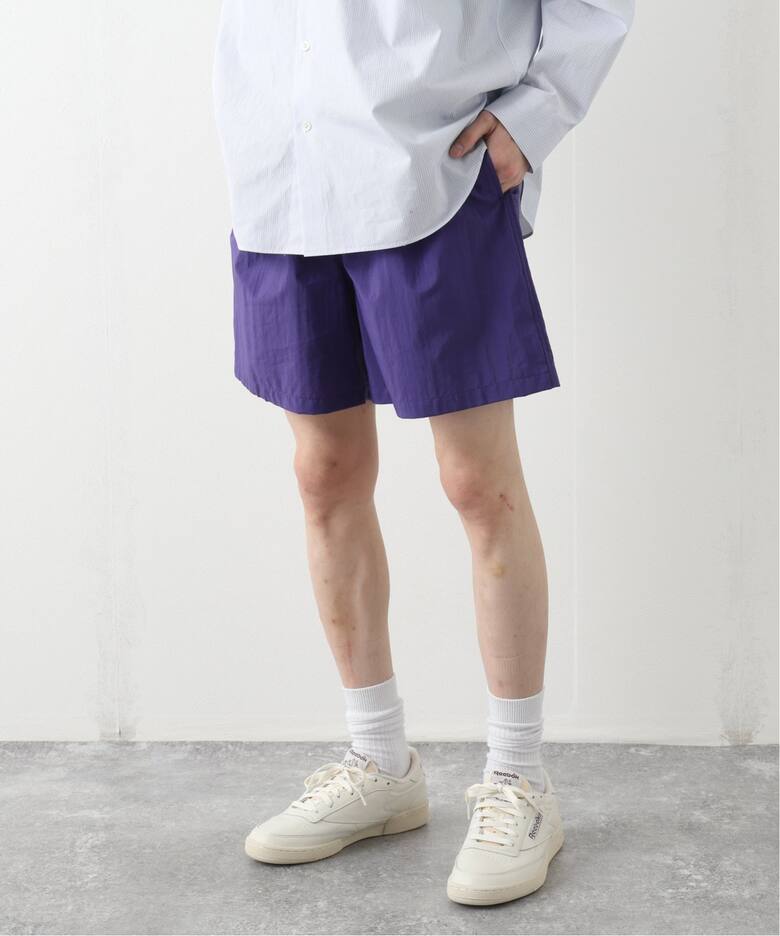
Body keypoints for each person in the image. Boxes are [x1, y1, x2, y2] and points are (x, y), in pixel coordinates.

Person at [213, 0, 633, 906]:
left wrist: (536, 114)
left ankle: (520, 779)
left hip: (431, 160)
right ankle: (379, 761)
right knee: (323, 475)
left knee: (479, 483)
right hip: (285, 165)